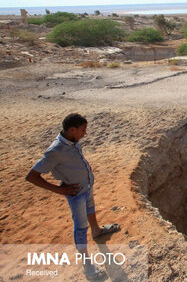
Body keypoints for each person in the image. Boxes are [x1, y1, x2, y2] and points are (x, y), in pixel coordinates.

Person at [26, 113, 120, 280]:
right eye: (83, 130)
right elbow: (32, 176)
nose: (85, 133)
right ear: (72, 129)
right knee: (80, 227)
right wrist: (60, 190)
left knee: (91, 210)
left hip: (86, 187)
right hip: (76, 194)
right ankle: (87, 266)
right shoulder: (56, 151)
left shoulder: (72, 141)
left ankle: (97, 231)